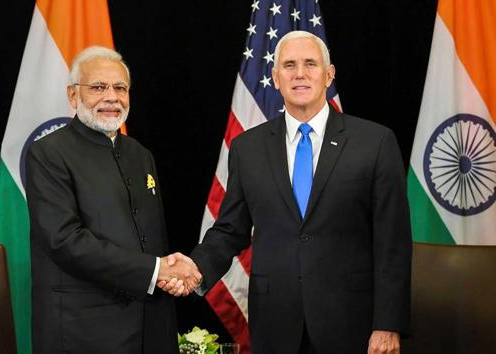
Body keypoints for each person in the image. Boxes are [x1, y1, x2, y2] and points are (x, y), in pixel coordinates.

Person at [162, 31, 412, 354]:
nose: (300, 74)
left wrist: (388, 323)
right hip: (275, 324)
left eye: (310, 64)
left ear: (329, 75)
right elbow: (229, 231)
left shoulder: (375, 143)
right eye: (289, 65)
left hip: (353, 325)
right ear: (275, 78)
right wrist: (194, 270)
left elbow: (393, 243)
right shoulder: (247, 149)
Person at [26, 46, 200, 354]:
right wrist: (157, 271)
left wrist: (167, 270)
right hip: (86, 330)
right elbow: (64, 240)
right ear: (72, 95)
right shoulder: (48, 154)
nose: (112, 97)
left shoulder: (140, 155)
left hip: (152, 324)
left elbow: (150, 239)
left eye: (120, 88)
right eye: (98, 87)